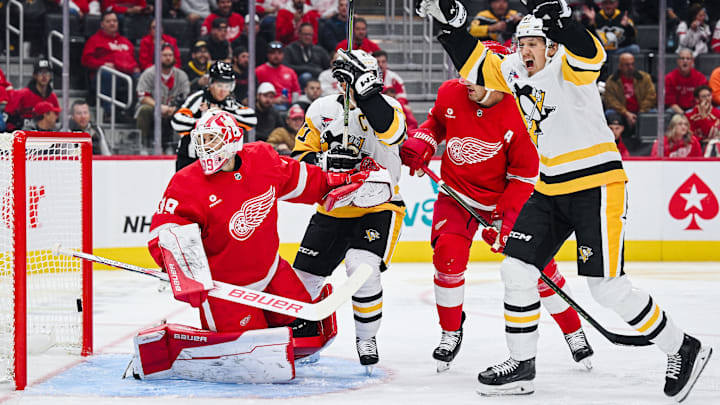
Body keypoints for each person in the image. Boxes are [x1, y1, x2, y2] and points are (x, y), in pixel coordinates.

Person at [415, 0, 711, 400]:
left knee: (607, 288)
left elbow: (593, 55)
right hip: (550, 187)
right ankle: (522, 365)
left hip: (596, 185)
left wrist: (564, 23)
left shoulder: (568, 66)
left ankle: (682, 347)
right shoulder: (515, 71)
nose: (526, 51)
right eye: (522, 44)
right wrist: (451, 26)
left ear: (551, 46)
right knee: (517, 271)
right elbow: (475, 65)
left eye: (535, 43)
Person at [135, 108, 373, 383]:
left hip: (271, 272)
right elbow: (166, 230)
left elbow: (299, 178)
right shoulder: (186, 183)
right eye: (201, 141)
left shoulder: (261, 158)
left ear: (233, 139)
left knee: (305, 328)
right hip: (226, 291)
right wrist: (183, 269)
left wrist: (333, 183)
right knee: (255, 353)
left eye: (212, 140)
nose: (205, 149)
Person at [401, 47, 593, 372]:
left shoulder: (522, 111)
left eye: (474, 75)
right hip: (458, 195)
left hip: (507, 197)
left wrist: (504, 221)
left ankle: (573, 331)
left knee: (538, 269)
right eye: (464, 73)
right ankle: (450, 332)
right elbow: (436, 122)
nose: (465, 82)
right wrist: (423, 142)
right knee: (447, 254)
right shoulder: (452, 92)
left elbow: (523, 178)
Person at [291, 49, 406, 371]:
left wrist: (364, 90)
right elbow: (300, 157)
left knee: (362, 270)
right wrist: (326, 162)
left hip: (377, 205)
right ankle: (305, 334)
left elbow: (393, 132)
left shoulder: (389, 108)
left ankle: (366, 337)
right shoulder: (321, 109)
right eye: (342, 79)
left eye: (351, 79)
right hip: (333, 206)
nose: (345, 86)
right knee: (302, 279)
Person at [172, 61, 256, 171]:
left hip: (218, 161)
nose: (223, 90)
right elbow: (177, 121)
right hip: (190, 159)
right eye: (219, 85)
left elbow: (251, 120)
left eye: (227, 86)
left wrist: (222, 113)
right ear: (211, 83)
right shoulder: (198, 98)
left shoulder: (230, 104)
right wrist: (205, 124)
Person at [81, 10, 140, 115]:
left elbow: (132, 60)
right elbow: (86, 60)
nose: (112, 23)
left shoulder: (125, 42)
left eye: (114, 21)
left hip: (125, 73)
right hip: (105, 75)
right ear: (102, 24)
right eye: (108, 21)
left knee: (139, 77)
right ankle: (109, 112)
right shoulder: (94, 40)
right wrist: (102, 64)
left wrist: (135, 67)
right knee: (107, 74)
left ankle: (133, 112)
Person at [136, 44, 191, 153]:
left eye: (170, 55)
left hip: (173, 108)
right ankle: (143, 144)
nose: (168, 58)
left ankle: (178, 145)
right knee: (144, 110)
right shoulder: (149, 74)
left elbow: (186, 98)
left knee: (184, 112)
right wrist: (159, 106)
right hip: (153, 107)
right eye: (165, 55)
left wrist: (173, 108)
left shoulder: (181, 75)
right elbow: (143, 97)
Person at [603, 52, 656, 129]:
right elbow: (611, 101)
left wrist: (640, 113)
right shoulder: (612, 80)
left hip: (642, 110)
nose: (630, 67)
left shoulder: (645, 78)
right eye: (627, 65)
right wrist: (626, 113)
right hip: (621, 111)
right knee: (609, 113)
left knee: (653, 113)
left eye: (632, 64)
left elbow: (651, 96)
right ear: (620, 66)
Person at [4, 59, 59, 131]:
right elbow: (8, 116)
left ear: (51, 76)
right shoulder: (21, 94)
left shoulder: (53, 97)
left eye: (47, 72)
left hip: (46, 135)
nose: (44, 76)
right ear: (35, 75)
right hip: (23, 134)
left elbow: (56, 119)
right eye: (40, 72)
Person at [255, 41, 301, 110]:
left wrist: (293, 105)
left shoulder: (290, 71)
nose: (276, 56)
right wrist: (273, 100)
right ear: (268, 55)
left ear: (283, 55)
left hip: (289, 104)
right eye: (273, 53)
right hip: (269, 105)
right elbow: (256, 93)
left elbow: (296, 91)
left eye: (279, 53)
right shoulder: (259, 71)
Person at [283, 23, 331, 88]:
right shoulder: (289, 49)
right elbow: (286, 66)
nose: (308, 37)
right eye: (305, 34)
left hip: (319, 79)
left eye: (310, 35)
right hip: (298, 79)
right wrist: (307, 68)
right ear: (299, 34)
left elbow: (329, 66)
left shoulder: (319, 50)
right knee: (306, 76)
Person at [665, 48, 708, 114]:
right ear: (678, 61)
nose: (685, 61)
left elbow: (703, 99)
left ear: (692, 61)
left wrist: (691, 113)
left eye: (688, 59)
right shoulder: (669, 78)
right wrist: (683, 114)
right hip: (676, 110)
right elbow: (670, 102)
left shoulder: (700, 78)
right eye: (682, 58)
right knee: (668, 112)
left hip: (694, 109)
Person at [685, 84, 720, 149]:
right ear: (697, 100)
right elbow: (689, 135)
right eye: (704, 96)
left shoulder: (718, 114)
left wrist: (703, 116)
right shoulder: (690, 115)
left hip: (713, 145)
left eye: (709, 95)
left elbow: (710, 133)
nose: (707, 99)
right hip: (695, 144)